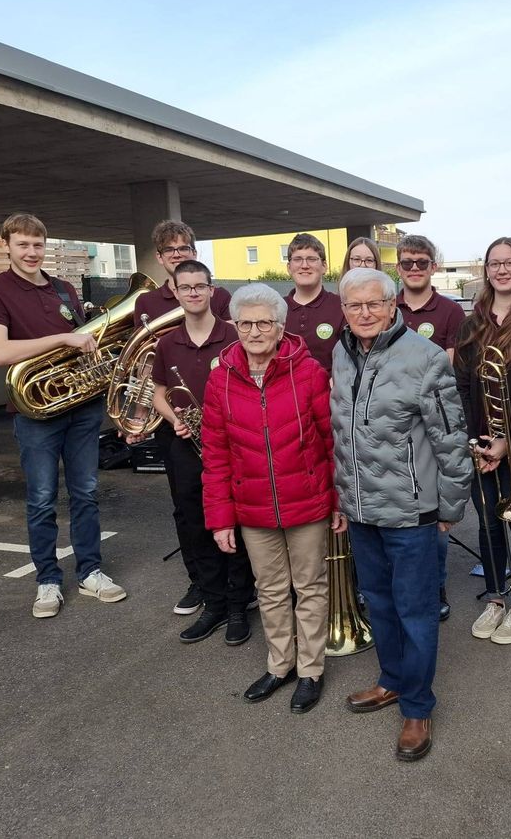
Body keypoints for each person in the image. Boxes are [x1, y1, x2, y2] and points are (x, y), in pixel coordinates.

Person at [331, 268, 472, 761]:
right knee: (379, 603)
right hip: (362, 510)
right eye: (355, 305)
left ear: (393, 307)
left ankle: (417, 705)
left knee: (415, 613)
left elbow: (451, 440)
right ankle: (391, 681)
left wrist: (451, 507)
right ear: (343, 310)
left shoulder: (427, 359)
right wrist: (343, 498)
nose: (364, 313)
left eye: (374, 304)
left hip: (412, 513)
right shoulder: (340, 353)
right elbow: (342, 434)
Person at [202, 284, 344, 714]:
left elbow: (331, 442)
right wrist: (221, 519)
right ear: (235, 326)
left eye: (264, 322)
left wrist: (338, 500)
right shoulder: (219, 379)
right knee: (270, 590)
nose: (255, 331)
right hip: (252, 509)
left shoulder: (310, 373)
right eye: (246, 323)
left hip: (308, 502)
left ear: (281, 327)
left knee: (311, 587)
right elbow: (215, 455)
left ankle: (311, 670)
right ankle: (279, 665)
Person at [0, 213, 126, 617]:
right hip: (36, 415)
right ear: (8, 245)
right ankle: (47, 580)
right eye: (23, 244)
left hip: (80, 409)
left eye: (37, 244)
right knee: (42, 499)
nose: (31, 252)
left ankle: (90, 571)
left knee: (85, 493)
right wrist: (64, 337)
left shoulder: (64, 289)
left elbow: (86, 344)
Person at [150, 260, 255, 646]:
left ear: (212, 290)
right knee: (196, 524)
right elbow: (159, 393)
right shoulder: (167, 342)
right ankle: (213, 603)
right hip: (186, 446)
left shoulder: (234, 334)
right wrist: (174, 417)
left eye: (200, 286)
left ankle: (238, 606)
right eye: (185, 287)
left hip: (234, 448)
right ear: (175, 293)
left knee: (238, 525)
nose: (193, 292)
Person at [134, 220, 231, 617]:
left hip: (221, 424)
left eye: (184, 247)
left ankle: (237, 586)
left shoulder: (220, 296)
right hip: (177, 422)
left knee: (229, 503)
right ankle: (201, 582)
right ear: (160, 259)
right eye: (170, 250)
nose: (178, 254)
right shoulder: (145, 303)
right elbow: (143, 366)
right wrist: (147, 414)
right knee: (186, 506)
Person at [454, 237, 511, 644]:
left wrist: (508, 441)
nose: (502, 269)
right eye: (494, 263)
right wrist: (472, 440)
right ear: (486, 270)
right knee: (489, 525)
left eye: (510, 262)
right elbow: (460, 384)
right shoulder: (471, 323)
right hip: (481, 444)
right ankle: (495, 597)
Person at [395, 234, 465, 621]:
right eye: (408, 263)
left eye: (422, 262)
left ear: (433, 266)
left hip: (432, 427)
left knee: (435, 515)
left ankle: (435, 586)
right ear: (399, 268)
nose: (415, 269)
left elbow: (446, 370)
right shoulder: (389, 306)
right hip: (394, 429)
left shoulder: (451, 312)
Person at [283, 233, 345, 376]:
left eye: (312, 259)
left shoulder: (341, 307)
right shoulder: (275, 309)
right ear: (289, 267)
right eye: (297, 259)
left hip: (329, 394)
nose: (304, 265)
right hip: (286, 394)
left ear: (324, 266)